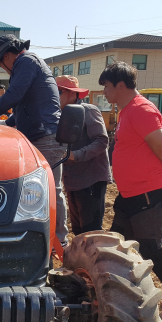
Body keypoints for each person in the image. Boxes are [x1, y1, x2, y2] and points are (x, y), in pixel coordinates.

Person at [99, 61, 162, 309]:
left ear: (120, 85)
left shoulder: (141, 110)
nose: (104, 92)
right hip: (132, 193)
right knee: (119, 242)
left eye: (107, 86)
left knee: (151, 245)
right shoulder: (126, 111)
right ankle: (125, 286)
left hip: (150, 192)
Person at [0, 34, 68, 246]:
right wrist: (7, 124)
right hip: (41, 135)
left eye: (1, 63)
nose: (3, 68)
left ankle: (59, 242)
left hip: (46, 137)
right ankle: (43, 238)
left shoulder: (26, 62)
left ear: (8, 55)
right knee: (38, 190)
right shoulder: (29, 64)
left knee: (49, 190)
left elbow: (15, 94)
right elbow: (25, 104)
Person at [57, 76, 111, 235]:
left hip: (90, 180)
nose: (54, 96)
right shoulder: (62, 114)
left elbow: (101, 141)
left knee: (90, 231)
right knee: (79, 230)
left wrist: (75, 155)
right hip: (73, 180)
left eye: (58, 92)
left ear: (72, 93)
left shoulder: (88, 111)